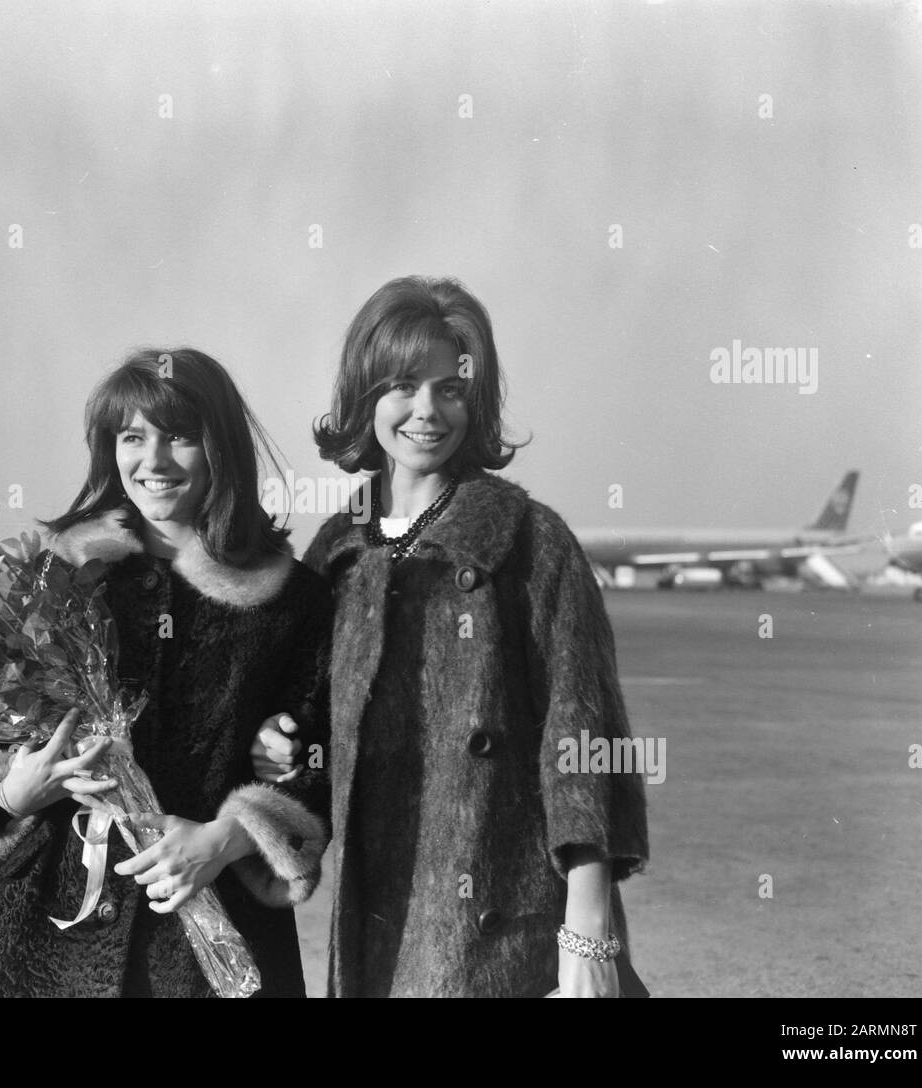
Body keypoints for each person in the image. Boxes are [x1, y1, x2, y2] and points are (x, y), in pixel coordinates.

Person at [258, 275, 649, 997]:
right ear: (363, 395)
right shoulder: (336, 552)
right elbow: (312, 742)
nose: (428, 412)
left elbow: (587, 741)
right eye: (403, 385)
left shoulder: (531, 543)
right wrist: (285, 744)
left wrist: (589, 933)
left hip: (509, 931)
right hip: (378, 923)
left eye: (453, 388)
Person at [0, 348, 332, 998]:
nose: (154, 461)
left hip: (214, 950)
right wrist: (14, 791)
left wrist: (224, 839)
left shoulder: (293, 601)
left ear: (220, 446)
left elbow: (324, 761)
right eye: (132, 437)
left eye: (180, 436)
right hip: (44, 945)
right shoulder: (53, 580)